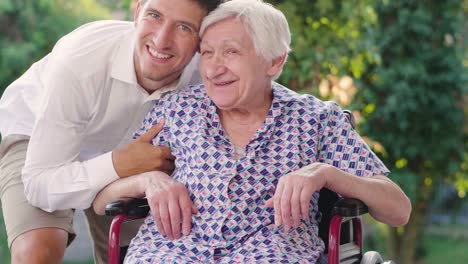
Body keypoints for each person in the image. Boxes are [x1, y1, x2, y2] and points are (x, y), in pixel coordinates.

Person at [93, 0, 412, 263]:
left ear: (274, 62)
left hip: (270, 255)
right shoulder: (175, 111)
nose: (214, 68)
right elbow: (101, 201)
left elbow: (398, 210)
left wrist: (325, 174)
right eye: (207, 52)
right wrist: (148, 180)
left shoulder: (316, 119)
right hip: (169, 253)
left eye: (231, 52)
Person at [0, 0, 224, 263]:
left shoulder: (210, 74)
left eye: (184, 27)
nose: (162, 40)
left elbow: (266, 93)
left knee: (149, 252)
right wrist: (119, 163)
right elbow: (39, 184)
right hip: (38, 135)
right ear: (138, 9)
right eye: (154, 15)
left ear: (204, 36)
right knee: (36, 253)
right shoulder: (82, 57)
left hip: (141, 160)